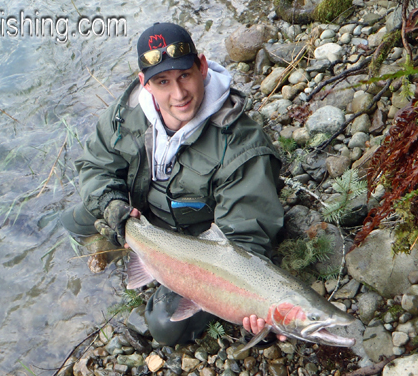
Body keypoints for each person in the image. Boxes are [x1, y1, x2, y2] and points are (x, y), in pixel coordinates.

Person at [61, 22, 284, 345]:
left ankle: (135, 255)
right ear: (145, 84)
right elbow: (96, 166)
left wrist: (251, 305)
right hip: (137, 213)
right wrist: (112, 206)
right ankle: (119, 249)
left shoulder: (242, 145)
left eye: (185, 76)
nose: (178, 94)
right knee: (72, 221)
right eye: (163, 82)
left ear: (202, 67)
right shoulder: (125, 114)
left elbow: (244, 242)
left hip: (201, 241)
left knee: (167, 327)